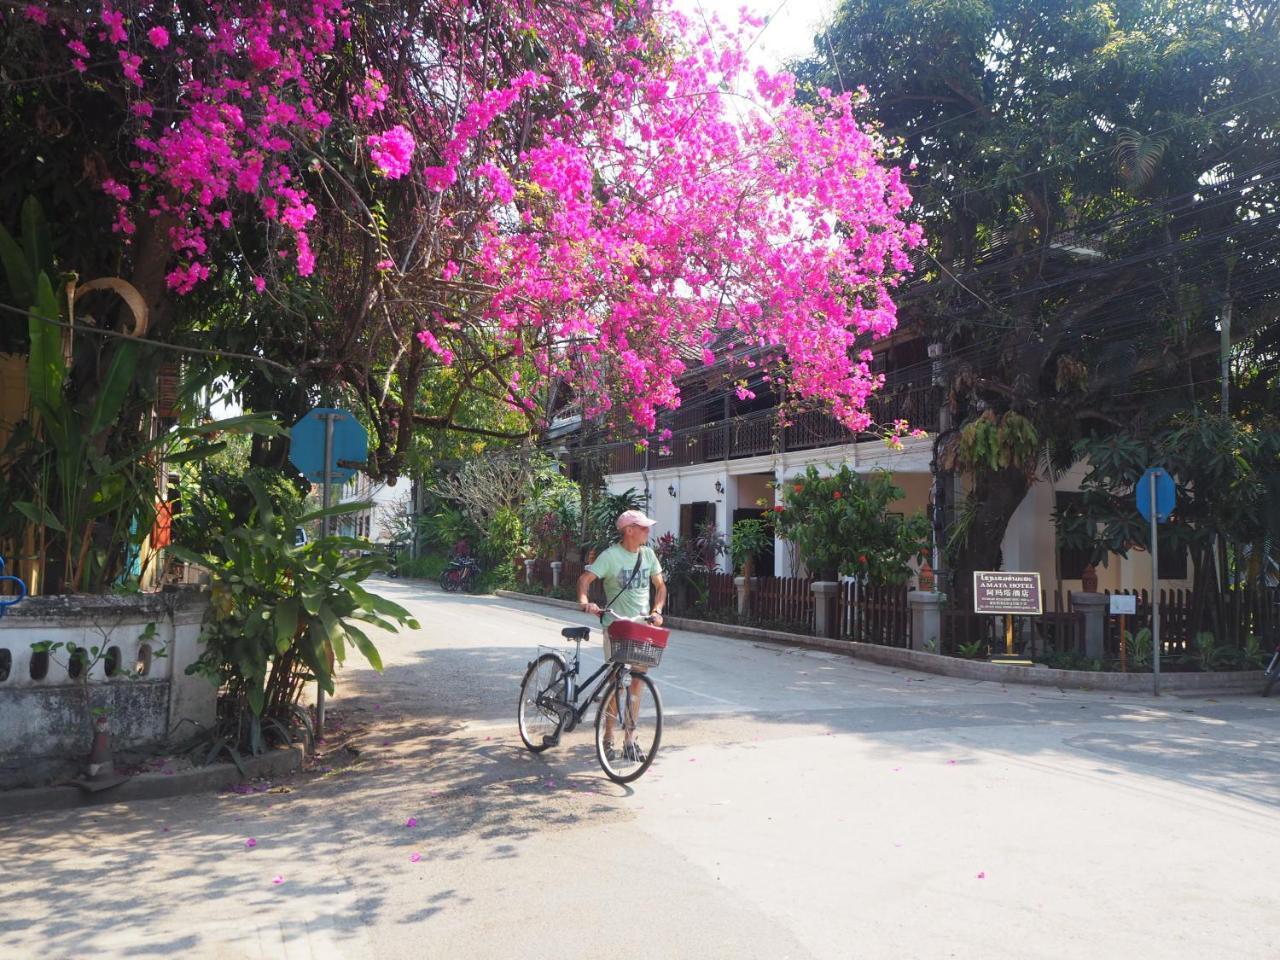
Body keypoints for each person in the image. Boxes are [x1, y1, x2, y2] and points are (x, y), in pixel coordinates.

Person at [576, 508, 667, 762]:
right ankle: (608, 738)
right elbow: (585, 580)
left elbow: (660, 586)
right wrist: (586, 602)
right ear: (629, 530)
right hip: (616, 627)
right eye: (644, 528)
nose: (648, 531)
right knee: (617, 680)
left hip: (641, 628)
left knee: (636, 683)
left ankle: (630, 739)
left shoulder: (648, 555)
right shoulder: (610, 556)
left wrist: (657, 610)